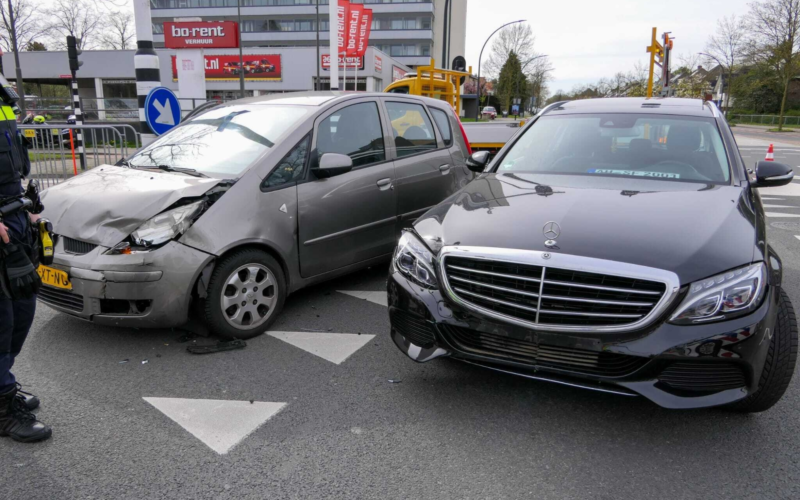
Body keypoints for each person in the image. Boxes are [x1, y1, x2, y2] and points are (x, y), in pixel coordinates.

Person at [0, 73, 51, 443]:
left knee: (22, 309)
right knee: (0, 321)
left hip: (14, 218)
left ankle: (4, 383)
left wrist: (27, 211)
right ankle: (2, 408)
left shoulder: (3, 97)